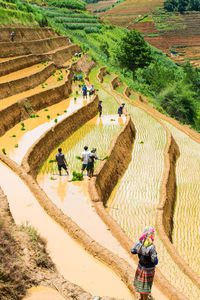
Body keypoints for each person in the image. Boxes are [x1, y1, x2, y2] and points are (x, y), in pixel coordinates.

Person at [131, 227, 158, 300]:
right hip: (148, 270)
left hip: (140, 267)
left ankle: (141, 298)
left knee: (141, 286)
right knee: (145, 287)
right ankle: (144, 299)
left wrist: (139, 251)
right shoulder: (151, 247)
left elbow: (132, 251)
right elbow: (154, 260)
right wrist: (156, 261)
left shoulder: (139, 242)